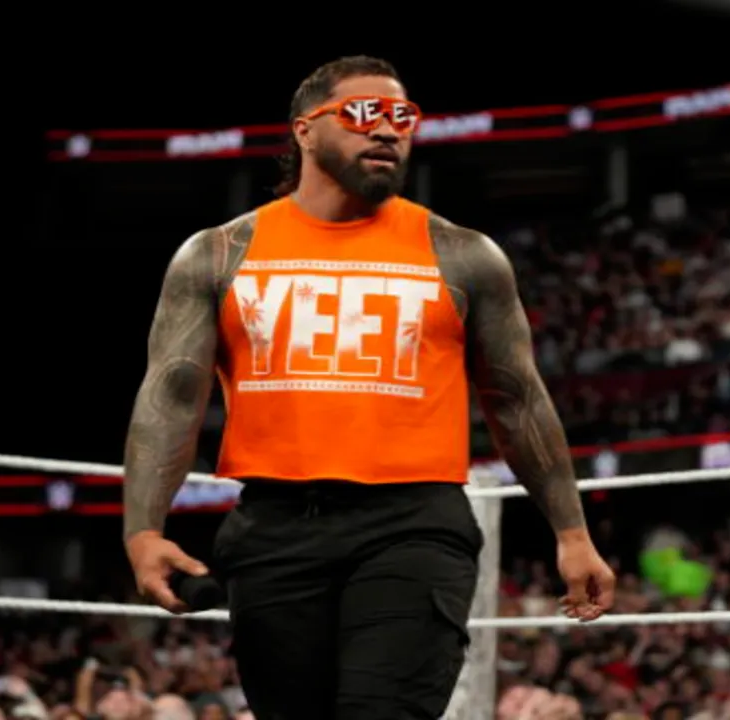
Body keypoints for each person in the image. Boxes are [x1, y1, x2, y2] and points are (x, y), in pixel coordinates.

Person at [122, 55, 615, 719]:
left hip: (413, 525)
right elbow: (172, 395)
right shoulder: (218, 254)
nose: (386, 130)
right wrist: (143, 531)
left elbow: (517, 397)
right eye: (362, 114)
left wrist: (572, 532)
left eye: (402, 117)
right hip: (274, 526)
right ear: (304, 130)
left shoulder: (463, 255)